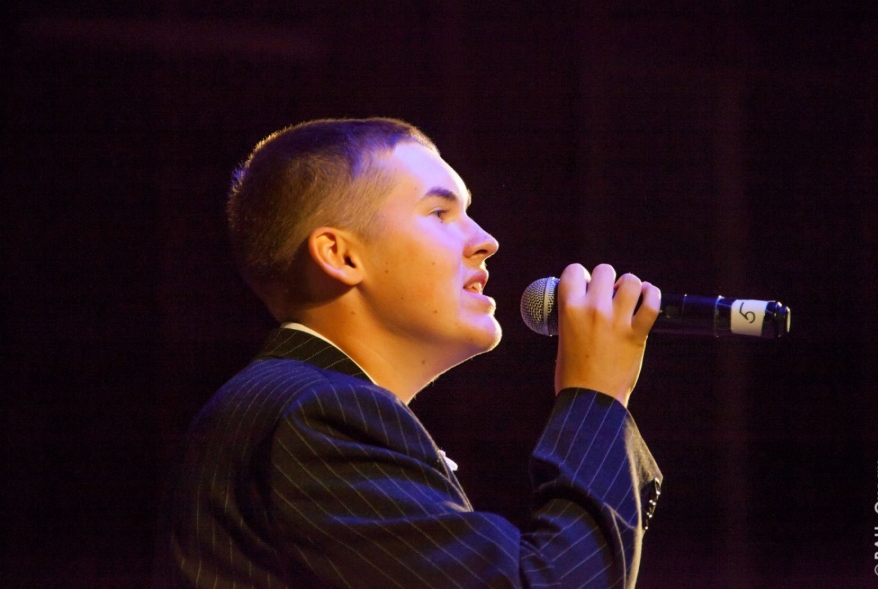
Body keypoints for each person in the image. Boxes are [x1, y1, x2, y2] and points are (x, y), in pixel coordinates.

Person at [154, 117, 663, 588]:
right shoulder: (318, 416)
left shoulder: (300, 403)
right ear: (340, 254)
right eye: (440, 213)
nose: (486, 241)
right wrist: (596, 398)